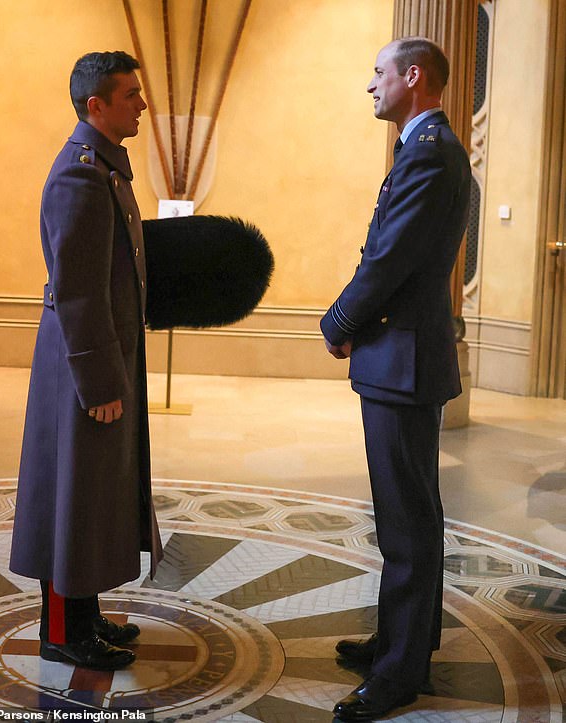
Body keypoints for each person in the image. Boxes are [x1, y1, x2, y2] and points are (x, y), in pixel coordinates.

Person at [321, 37, 470, 720]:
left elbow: (388, 258)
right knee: (408, 512)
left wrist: (338, 319)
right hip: (402, 355)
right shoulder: (425, 148)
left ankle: (399, 672)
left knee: (406, 522)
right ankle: (403, 639)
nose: (370, 84)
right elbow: (389, 251)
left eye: (379, 72)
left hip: (402, 359)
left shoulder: (430, 154)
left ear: (412, 77)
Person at [10, 51, 163, 671]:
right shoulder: (80, 175)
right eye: (130, 95)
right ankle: (62, 631)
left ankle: (85, 612)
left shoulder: (103, 167)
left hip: (97, 355)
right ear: (95, 105)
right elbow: (77, 290)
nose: (141, 105)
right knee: (70, 494)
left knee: (92, 490)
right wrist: (100, 379)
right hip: (82, 364)